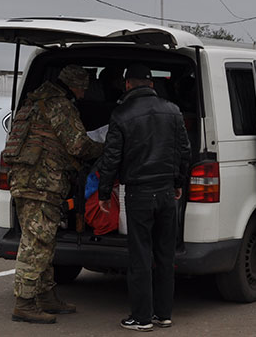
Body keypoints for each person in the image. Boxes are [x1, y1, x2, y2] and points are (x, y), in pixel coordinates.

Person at [4, 65, 103, 324]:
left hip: (23, 181)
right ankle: (24, 303)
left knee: (42, 240)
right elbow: (78, 145)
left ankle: (46, 296)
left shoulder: (33, 103)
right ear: (73, 85)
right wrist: (106, 148)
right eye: (82, 88)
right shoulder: (59, 105)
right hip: (42, 183)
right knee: (36, 243)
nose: (83, 94)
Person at [97, 63, 191, 331]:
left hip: (138, 193)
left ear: (128, 84)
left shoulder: (121, 114)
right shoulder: (173, 111)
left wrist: (104, 192)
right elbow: (184, 152)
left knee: (140, 255)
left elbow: (111, 157)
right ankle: (163, 314)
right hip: (165, 193)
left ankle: (140, 318)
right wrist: (178, 182)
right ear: (151, 84)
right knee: (164, 255)